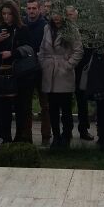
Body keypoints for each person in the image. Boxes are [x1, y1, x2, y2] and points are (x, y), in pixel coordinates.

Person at [38, 11, 84, 149]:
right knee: (52, 108)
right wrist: (43, 63)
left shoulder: (71, 29)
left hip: (64, 73)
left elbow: (78, 51)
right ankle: (56, 136)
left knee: (65, 109)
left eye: (58, 14)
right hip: (49, 71)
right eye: (54, 14)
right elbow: (42, 49)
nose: (56, 17)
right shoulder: (47, 28)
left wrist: (68, 65)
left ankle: (66, 136)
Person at [0, 1, 31, 144]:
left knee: (21, 108)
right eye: (4, 13)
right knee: (3, 108)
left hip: (18, 73)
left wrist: (12, 53)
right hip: (1, 74)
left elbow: (28, 49)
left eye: (9, 14)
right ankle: (4, 137)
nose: (6, 17)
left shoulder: (22, 29)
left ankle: (20, 137)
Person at [23, 0, 52, 145]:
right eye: (29, 8)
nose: (31, 11)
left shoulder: (45, 26)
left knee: (45, 106)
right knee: (26, 105)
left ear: (39, 9)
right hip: (27, 70)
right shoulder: (22, 25)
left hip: (42, 69)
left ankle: (46, 136)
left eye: (34, 8)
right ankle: (27, 137)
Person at [64, 6, 94, 141]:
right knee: (66, 102)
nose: (70, 17)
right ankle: (67, 130)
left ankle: (83, 129)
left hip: (81, 70)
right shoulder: (62, 31)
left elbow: (88, 50)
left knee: (82, 101)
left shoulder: (85, 31)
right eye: (67, 15)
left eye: (72, 14)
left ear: (76, 16)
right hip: (66, 70)